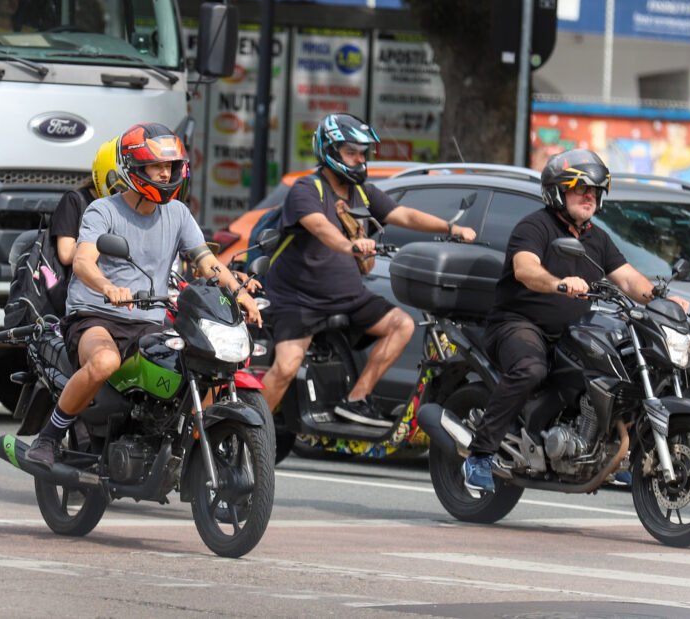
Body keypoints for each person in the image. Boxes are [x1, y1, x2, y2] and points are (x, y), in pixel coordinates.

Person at [25, 123, 261, 468]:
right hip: (97, 315)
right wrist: (108, 287)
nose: (166, 174)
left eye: (171, 166)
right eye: (156, 166)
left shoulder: (178, 213)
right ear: (135, 169)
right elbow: (82, 261)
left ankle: (181, 446)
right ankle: (48, 437)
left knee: (200, 366)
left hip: (151, 321)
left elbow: (206, 261)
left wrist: (239, 293)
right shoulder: (103, 210)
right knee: (105, 362)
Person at [462, 149, 690, 493]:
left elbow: (628, 280)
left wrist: (662, 300)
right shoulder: (535, 226)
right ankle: (479, 454)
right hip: (519, 324)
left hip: (571, 332)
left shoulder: (596, 238)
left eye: (594, 191)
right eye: (580, 189)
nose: (589, 196)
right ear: (557, 191)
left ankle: (610, 451)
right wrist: (559, 283)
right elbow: (525, 269)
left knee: (619, 369)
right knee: (530, 368)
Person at [259, 113, 476, 427]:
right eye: (351, 152)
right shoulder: (307, 190)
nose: (359, 160)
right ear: (330, 151)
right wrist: (351, 246)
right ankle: (251, 432)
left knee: (401, 324)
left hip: (349, 297)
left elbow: (405, 215)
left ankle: (356, 400)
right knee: (286, 368)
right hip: (300, 299)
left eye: (363, 153)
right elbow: (320, 228)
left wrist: (452, 228)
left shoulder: (362, 192)